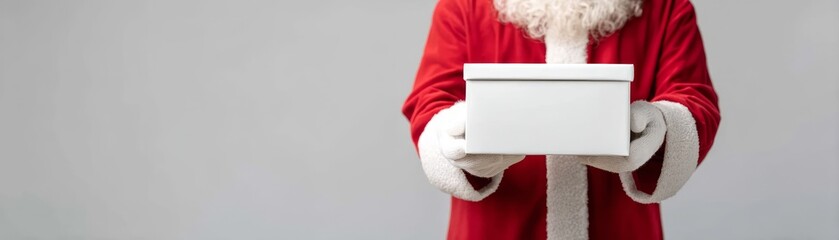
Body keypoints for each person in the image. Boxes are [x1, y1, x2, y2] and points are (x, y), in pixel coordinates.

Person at [402, 0, 721, 239]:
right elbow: (431, 102)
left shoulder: (666, 6)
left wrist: (662, 129)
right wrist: (455, 137)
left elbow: (694, 98)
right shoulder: (464, 5)